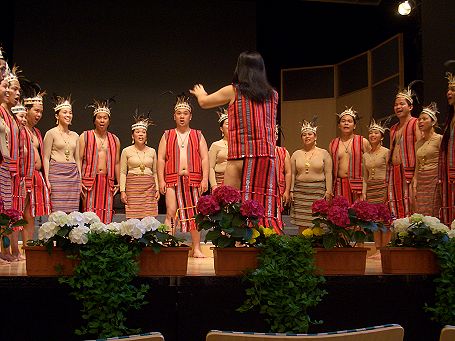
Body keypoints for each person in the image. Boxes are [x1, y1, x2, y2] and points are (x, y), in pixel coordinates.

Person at [190, 51, 283, 232]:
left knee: (231, 205)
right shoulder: (273, 95)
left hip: (240, 155)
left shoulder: (233, 91)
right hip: (265, 157)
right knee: (262, 205)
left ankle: (234, 249)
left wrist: (201, 93)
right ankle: (263, 245)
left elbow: (204, 102)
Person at [157, 94, 209, 258]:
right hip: (172, 179)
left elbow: (205, 158)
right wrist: (161, 179)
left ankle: (197, 248)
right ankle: (167, 244)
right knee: (171, 211)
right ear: (174, 116)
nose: (182, 116)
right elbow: (160, 159)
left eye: (185, 113)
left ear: (190, 116)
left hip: (193, 179)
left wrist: (205, 178)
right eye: (179, 113)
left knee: (195, 214)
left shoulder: (198, 135)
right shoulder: (167, 135)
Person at [79, 99, 120, 223]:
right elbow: (79, 160)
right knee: (88, 214)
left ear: (109, 120)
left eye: (105, 118)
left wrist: (120, 183)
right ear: (94, 120)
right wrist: (79, 180)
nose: (102, 120)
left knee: (106, 214)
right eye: (99, 117)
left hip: (107, 182)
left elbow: (117, 163)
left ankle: (104, 241)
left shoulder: (115, 139)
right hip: (89, 181)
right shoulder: (85, 136)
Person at [291, 118, 332, 233]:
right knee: (302, 224)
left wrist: (328, 191)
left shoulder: (324, 153)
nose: (307, 136)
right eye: (304, 135)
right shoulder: (296, 154)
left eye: (310, 134)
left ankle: (318, 249)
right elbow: (293, 174)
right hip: (300, 192)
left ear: (315, 137)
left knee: (318, 222)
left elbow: (328, 173)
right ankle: (304, 249)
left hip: (317, 191)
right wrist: (291, 191)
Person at [20, 90, 51, 247]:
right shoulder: (20, 128)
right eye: (36, 110)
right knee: (20, 213)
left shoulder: (37, 132)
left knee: (30, 214)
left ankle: (28, 247)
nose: (39, 115)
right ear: (27, 109)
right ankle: (15, 249)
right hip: (24, 175)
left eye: (41, 112)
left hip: (37, 175)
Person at [1, 65, 25, 261]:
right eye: (13, 88)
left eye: (18, 90)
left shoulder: (11, 116)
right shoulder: (1, 112)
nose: (17, 93)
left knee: (9, 212)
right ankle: (5, 250)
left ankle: (8, 250)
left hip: (12, 169)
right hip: (5, 167)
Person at [388, 83, 422, 219]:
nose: (398, 107)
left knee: (410, 203)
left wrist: (416, 175)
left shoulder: (415, 123)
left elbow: (420, 149)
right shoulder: (393, 128)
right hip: (394, 171)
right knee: (394, 206)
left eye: (402, 104)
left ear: (411, 107)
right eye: (396, 104)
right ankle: (398, 236)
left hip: (409, 170)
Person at [43, 95, 81, 213]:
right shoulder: (51, 133)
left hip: (72, 175)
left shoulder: (75, 135)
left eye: (70, 112)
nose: (68, 115)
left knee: (72, 214)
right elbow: (45, 157)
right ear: (57, 115)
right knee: (57, 211)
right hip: (56, 174)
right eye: (64, 112)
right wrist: (47, 179)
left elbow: (78, 158)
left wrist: (80, 178)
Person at [120, 114, 159, 218]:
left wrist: (157, 189)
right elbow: (123, 172)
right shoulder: (126, 151)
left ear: (146, 136)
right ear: (132, 136)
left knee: (150, 218)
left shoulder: (152, 151)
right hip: (133, 187)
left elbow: (155, 172)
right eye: (137, 132)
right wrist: (122, 191)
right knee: (133, 219)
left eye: (143, 132)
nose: (140, 135)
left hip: (149, 187)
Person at [329, 107, 370, 205]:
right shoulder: (333, 143)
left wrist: (366, 188)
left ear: (354, 125)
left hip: (358, 187)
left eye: (349, 121)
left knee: (357, 217)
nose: (346, 123)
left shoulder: (362, 141)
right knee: (340, 216)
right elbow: (330, 169)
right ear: (339, 125)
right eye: (343, 121)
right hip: (339, 185)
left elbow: (370, 164)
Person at [362, 118, 390, 256]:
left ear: (382, 136)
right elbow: (364, 176)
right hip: (371, 188)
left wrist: (388, 191)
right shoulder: (365, 155)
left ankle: (385, 250)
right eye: (371, 133)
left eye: (376, 133)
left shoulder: (386, 152)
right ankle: (377, 249)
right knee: (374, 221)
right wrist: (364, 192)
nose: (373, 135)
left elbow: (390, 173)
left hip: (383, 186)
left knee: (384, 220)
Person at [413, 103, 442, 217]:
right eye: (419, 119)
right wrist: (415, 184)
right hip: (421, 179)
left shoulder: (439, 139)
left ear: (433, 122)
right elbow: (417, 165)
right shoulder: (418, 143)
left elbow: (443, 162)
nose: (420, 122)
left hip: (434, 178)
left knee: (434, 210)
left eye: (424, 119)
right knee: (422, 211)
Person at [439, 72, 455, 225]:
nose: (449, 93)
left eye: (453, 89)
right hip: (450, 173)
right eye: (448, 89)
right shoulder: (450, 119)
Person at [208, 107, 228, 189]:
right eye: (227, 124)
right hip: (219, 182)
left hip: (235, 183)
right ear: (221, 129)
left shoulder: (240, 146)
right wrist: (214, 186)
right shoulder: (215, 145)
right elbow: (210, 167)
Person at [275, 125, 291, 224]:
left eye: (276, 134)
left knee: (277, 216)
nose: (274, 136)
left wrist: (287, 191)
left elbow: (288, 172)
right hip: (264, 189)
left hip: (278, 190)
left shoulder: (283, 152)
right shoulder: (261, 151)